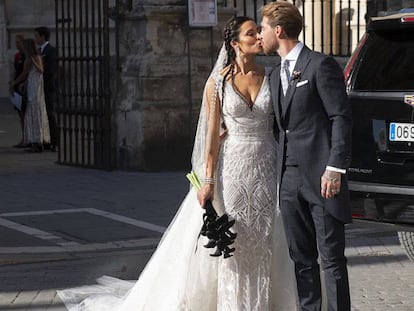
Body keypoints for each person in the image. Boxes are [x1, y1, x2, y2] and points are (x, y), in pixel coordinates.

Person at [57, 16, 298, 311]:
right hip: (233, 168)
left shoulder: (271, 75)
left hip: (267, 165)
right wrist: (207, 181)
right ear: (235, 43)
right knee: (236, 239)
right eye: (251, 34)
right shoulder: (217, 83)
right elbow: (210, 137)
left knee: (265, 236)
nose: (258, 38)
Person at [259, 2, 352, 311]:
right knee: (301, 258)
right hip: (288, 180)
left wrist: (335, 168)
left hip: (322, 177)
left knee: (331, 259)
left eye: (262, 29)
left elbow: (340, 117)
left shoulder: (320, 65)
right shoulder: (273, 75)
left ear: (278, 30)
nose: (260, 36)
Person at [11, 38, 50, 153]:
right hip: (31, 85)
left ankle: (38, 141)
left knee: (35, 111)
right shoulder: (28, 58)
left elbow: (40, 70)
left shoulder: (35, 58)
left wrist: (15, 82)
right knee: (31, 112)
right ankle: (34, 139)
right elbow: (25, 73)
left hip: (36, 87)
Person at [35, 26, 58, 152]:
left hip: (48, 87)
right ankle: (45, 140)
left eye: (36, 36)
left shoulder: (51, 50)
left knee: (50, 113)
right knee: (42, 114)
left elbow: (50, 70)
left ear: (43, 36)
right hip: (39, 87)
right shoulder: (38, 50)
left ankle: (54, 141)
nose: (35, 38)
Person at [9, 34, 26, 147]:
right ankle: (24, 137)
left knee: (25, 114)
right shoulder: (17, 56)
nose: (16, 44)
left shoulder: (26, 55)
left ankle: (27, 137)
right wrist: (12, 83)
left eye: (18, 42)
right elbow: (15, 70)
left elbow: (25, 72)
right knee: (20, 114)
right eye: (15, 42)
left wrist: (16, 83)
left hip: (22, 86)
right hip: (16, 85)